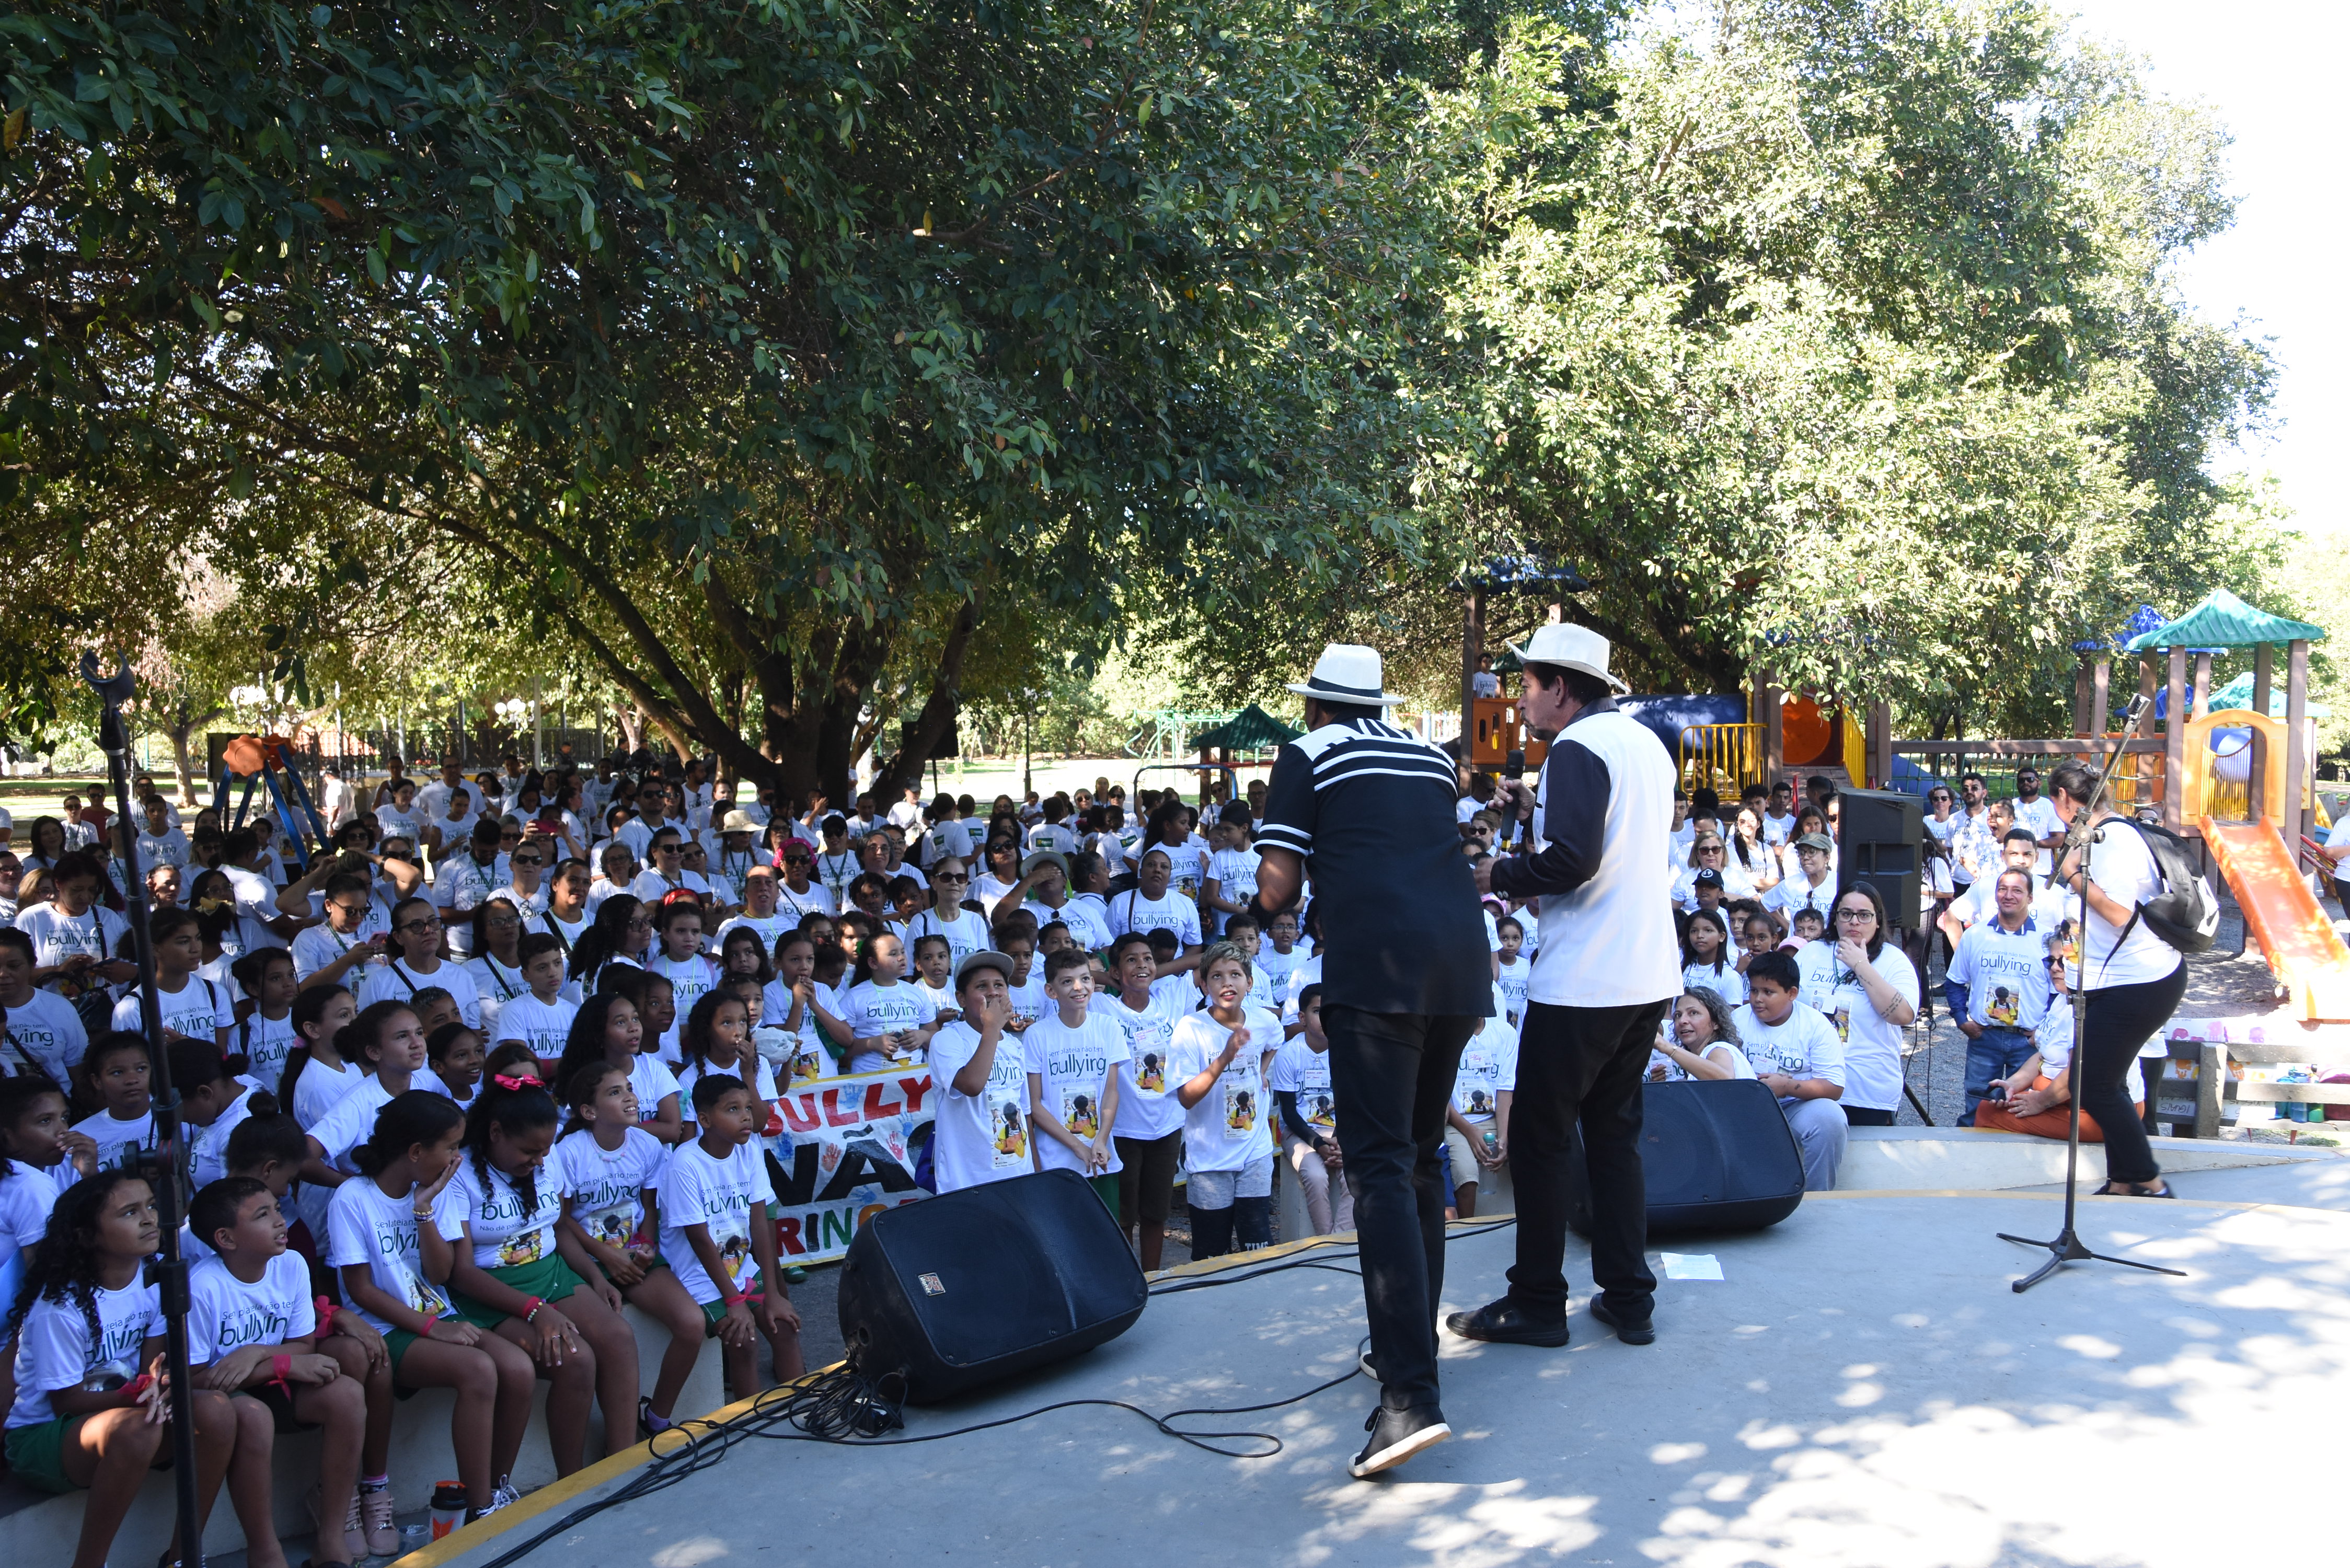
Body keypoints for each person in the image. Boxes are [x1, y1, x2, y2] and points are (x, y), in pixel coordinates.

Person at [1254, 643, 1491, 1480]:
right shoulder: (1430, 758)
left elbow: (1277, 887)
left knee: (1381, 1168)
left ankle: (1408, 1400)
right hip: (1460, 969)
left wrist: (1256, 905)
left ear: (1316, 705)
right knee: (1420, 1158)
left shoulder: (1308, 753)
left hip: (1379, 971)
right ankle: (1408, 1348)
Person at [1457, 623, 1676, 1357]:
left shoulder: (1577, 749)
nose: (1518, 699)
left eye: (1526, 685)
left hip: (1585, 978)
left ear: (1559, 687)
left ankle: (1537, 1302)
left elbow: (1576, 860)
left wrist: (1499, 874)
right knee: (1614, 1134)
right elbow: (1610, 842)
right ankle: (1629, 1298)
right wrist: (1533, 812)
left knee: (1541, 1138)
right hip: (1645, 973)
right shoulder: (1642, 743)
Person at [5, 1169, 242, 1568]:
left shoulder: (155, 1278)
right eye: (130, 1212)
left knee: (217, 1410)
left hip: (123, 1413)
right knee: (139, 1428)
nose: (149, 1219)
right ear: (87, 1236)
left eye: (150, 1206)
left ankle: (184, 1557)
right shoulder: (59, 1308)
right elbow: (67, 1402)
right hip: (46, 1435)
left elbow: (150, 1369)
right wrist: (140, 1397)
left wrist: (157, 1388)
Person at [328, 1089, 535, 1523]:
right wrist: (432, 1329)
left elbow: (439, 1275)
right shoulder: (353, 1197)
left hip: (437, 1315)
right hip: (384, 1326)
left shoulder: (437, 1191)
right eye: (451, 1147)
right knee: (479, 1370)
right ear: (416, 1152)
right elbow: (361, 1290)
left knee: (518, 1368)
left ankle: (496, 1487)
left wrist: (423, 1211)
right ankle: (480, 1508)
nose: (458, 1158)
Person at [185, 1175, 373, 1568]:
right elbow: (198, 1379)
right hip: (224, 1399)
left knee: (347, 1395)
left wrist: (259, 1354)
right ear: (226, 1238)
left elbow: (303, 1345)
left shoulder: (291, 1264)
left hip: (271, 1379)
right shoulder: (203, 1286)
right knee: (255, 1417)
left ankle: (332, 1539)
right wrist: (277, 1363)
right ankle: (265, 1551)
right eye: (262, 1215)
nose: (279, 1220)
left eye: (276, 1208)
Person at [2047, 762, 2187, 1196]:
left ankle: (2149, 1179)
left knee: (2093, 1085)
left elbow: (2119, 913)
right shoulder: (2099, 837)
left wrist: (2072, 875)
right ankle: (2124, 1181)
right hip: (2116, 981)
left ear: (2065, 799)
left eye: (2055, 803)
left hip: (2141, 982)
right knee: (2106, 1081)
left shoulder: (2115, 841)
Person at [555, 1060, 707, 1438]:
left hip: (633, 1256)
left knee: (692, 1324)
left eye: (629, 1089)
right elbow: (561, 1220)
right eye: (615, 1092)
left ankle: (655, 1417)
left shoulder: (647, 1145)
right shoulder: (569, 1152)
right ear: (589, 1112)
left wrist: (646, 1246)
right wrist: (607, 1256)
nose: (630, 1098)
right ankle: (618, 1446)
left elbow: (649, 1207)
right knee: (615, 1338)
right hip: (585, 1261)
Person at [659, 1073, 803, 1398]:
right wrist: (735, 1301)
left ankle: (805, 1410)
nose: (746, 1117)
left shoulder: (748, 1151)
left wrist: (774, 1293)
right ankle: (750, 1424)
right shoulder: (685, 1164)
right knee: (744, 1341)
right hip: (699, 1275)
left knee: (785, 1328)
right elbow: (699, 1239)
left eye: (748, 1108)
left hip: (740, 1267)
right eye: (733, 1109)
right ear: (705, 1120)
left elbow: (759, 1224)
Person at [1945, 868, 2056, 1125]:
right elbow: (1954, 981)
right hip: (1985, 1038)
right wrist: (1961, 1020)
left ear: (2030, 898)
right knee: (1975, 1112)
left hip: (2028, 1044)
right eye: (2003, 889)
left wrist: (2042, 1033)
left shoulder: (2046, 940)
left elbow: (2057, 992)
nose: (2008, 896)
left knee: (2023, 1115)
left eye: (2017, 890)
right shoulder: (1975, 935)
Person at [1734, 952, 1847, 1189]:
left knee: (1830, 1118)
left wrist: (1786, 1086)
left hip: (1796, 1106)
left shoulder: (1816, 1025)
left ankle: (1817, 1198)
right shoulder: (1737, 1020)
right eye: (1753, 990)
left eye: (1768, 992)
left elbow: (1834, 1087)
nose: (1758, 999)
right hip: (1744, 1109)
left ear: (1792, 993)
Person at [1821, 884, 1918, 1126]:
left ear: (1878, 921)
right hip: (1814, 1084)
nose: (1854, 922)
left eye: (1864, 915)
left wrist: (1861, 965)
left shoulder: (1894, 960)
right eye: (1846, 914)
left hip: (1866, 1091)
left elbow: (1903, 1015)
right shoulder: (1812, 952)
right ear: (1835, 918)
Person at [1444, 986, 1518, 1219]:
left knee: (1528, 1152)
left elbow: (1505, 1090)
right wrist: (1470, 1132)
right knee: (1467, 1174)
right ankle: (1468, 1230)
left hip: (1495, 1119)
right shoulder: (1445, 1035)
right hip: (1456, 1123)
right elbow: (1440, 1098)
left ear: (1491, 998)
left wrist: (1504, 1138)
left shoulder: (1505, 1034)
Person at [1649, 989, 1754, 1080]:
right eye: (1678, 1015)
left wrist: (1667, 1047)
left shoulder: (1719, 1049)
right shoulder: (1702, 1057)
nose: (1682, 1021)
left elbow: (1725, 1081)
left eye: (1693, 1013)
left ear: (1716, 1022)